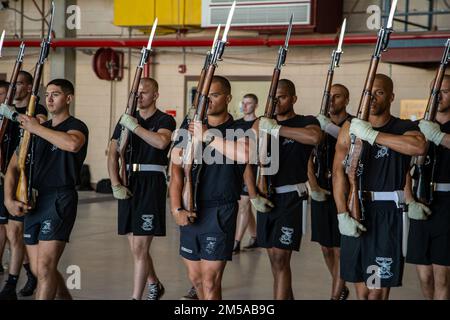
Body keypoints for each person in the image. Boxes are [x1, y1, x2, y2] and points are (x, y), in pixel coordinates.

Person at [169, 76, 271, 300]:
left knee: (210, 281)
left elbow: (246, 154)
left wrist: (206, 135)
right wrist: (176, 208)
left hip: (220, 211)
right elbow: (176, 171)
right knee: (196, 280)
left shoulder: (241, 128)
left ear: (228, 98)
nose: (208, 101)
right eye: (204, 97)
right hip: (190, 209)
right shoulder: (187, 128)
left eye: (214, 95)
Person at [332, 74, 426, 300]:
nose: (372, 98)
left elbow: (418, 147)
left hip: (385, 213)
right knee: (362, 289)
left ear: (391, 97)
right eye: (368, 93)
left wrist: (372, 135)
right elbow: (338, 173)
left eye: (379, 92)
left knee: (376, 290)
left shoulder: (403, 126)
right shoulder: (349, 127)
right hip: (355, 210)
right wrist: (342, 213)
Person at [4, 79, 88, 300]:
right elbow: (13, 165)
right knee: (37, 268)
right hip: (34, 200)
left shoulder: (76, 126)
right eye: (47, 94)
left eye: (56, 94)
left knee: (44, 267)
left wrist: (36, 128)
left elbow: (72, 144)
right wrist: (8, 199)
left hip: (59, 198)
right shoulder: (37, 129)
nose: (50, 98)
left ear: (68, 98)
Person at [107, 78, 175, 300]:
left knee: (139, 246)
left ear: (155, 95)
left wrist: (134, 126)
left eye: (144, 93)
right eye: (135, 93)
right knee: (135, 247)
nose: (138, 97)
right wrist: (115, 182)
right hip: (127, 179)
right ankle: (154, 283)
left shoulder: (165, 119)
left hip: (150, 180)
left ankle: (136, 297)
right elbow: (113, 151)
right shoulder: (125, 119)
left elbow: (161, 142)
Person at [256, 79, 322, 299]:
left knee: (281, 259)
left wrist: (277, 129)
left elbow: (314, 137)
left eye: (282, 97)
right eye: (273, 97)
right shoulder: (262, 122)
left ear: (293, 98)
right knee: (274, 261)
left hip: (291, 197)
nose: (276, 102)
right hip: (266, 198)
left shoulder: (306, 121)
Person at [0, 71, 48, 300]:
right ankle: (29, 272)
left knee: (15, 232)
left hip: (21, 177)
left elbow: (36, 125)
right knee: (7, 234)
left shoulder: (36, 111)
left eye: (19, 83)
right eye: (13, 82)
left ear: (29, 87)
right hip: (3, 176)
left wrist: (12, 115)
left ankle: (11, 282)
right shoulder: (4, 109)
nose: (14, 87)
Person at [406, 74, 450, 300]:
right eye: (434, 91)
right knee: (424, 276)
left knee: (442, 275)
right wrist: (409, 200)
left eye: (444, 91)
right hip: (420, 200)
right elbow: (403, 167)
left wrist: (437, 136)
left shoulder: (434, 130)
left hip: (447, 203)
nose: (438, 96)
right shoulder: (417, 126)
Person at [308, 84, 352, 300]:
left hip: (342, 193)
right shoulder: (316, 125)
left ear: (347, 100)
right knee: (326, 248)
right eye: (329, 97)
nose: (332, 101)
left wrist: (330, 129)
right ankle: (340, 285)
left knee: (339, 249)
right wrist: (313, 187)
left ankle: (335, 295)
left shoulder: (354, 123)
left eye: (337, 97)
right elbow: (307, 157)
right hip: (320, 192)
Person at [233, 93, 259, 254]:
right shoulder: (235, 124)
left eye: (248, 103)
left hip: (253, 169)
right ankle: (256, 237)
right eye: (243, 103)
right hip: (237, 169)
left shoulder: (259, 123)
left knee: (244, 204)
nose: (245, 106)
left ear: (255, 105)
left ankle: (236, 243)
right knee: (244, 206)